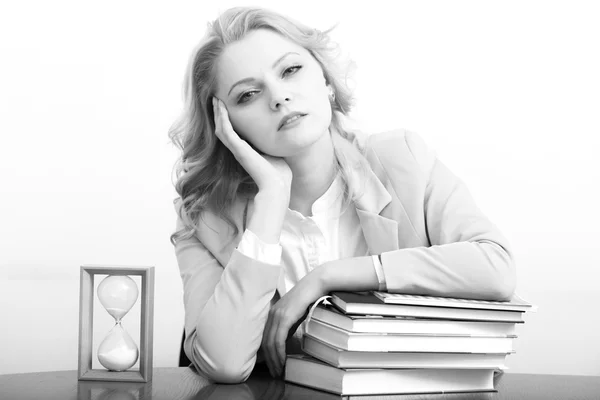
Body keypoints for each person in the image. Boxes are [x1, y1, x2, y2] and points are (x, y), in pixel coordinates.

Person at [169, 6, 516, 384]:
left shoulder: (402, 160)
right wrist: (271, 199)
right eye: (248, 94)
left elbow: (496, 267)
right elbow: (223, 364)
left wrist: (327, 277)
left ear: (326, 79)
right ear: (225, 125)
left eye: (290, 70)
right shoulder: (204, 217)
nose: (279, 98)